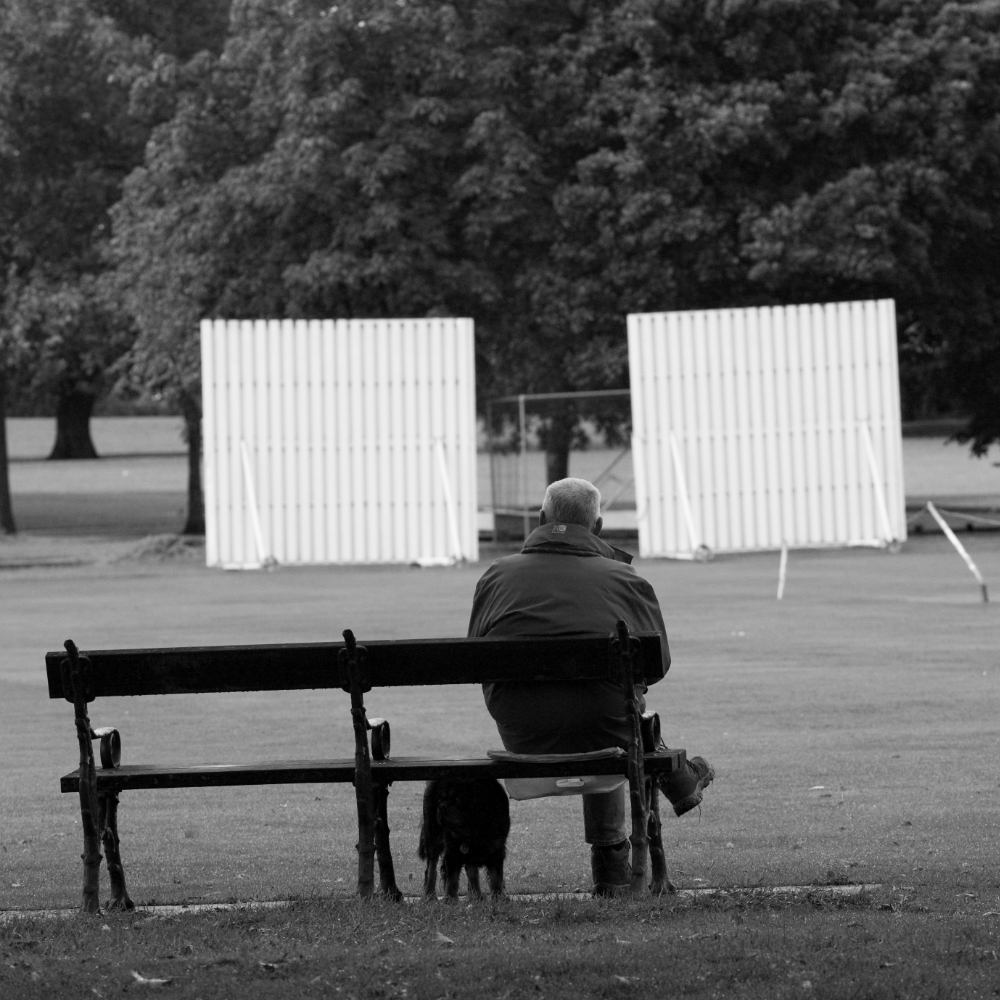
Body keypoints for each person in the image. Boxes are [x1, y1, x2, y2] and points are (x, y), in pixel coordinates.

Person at [468, 477, 714, 895]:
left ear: (542, 518)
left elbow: (475, 658)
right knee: (613, 715)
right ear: (597, 528)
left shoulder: (497, 576)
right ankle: (621, 858)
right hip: (610, 731)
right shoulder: (625, 579)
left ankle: (668, 788)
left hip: (523, 731)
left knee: (605, 710)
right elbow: (656, 667)